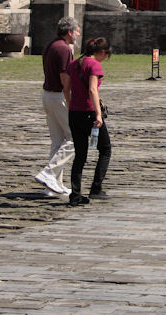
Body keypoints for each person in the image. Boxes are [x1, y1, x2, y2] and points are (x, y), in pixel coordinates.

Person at [34, 17, 79, 197]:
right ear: (69, 32)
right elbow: (64, 78)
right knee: (75, 136)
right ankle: (49, 173)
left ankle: (53, 186)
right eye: (76, 31)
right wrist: (72, 100)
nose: (78, 34)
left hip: (48, 95)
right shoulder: (63, 48)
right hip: (59, 95)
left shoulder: (51, 45)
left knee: (57, 141)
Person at [65, 37, 113, 206]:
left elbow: (66, 87)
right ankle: (96, 187)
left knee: (80, 154)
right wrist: (98, 114)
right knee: (105, 149)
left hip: (74, 113)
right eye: (106, 55)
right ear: (101, 52)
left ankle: (75, 193)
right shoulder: (94, 65)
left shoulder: (74, 64)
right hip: (89, 113)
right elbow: (93, 89)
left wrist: (71, 104)